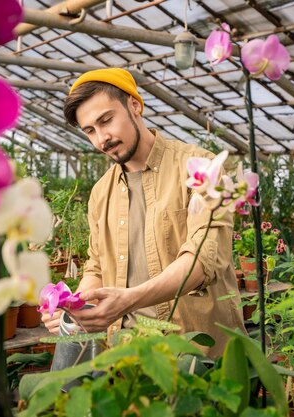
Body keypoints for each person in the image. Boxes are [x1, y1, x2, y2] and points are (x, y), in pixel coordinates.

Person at [41, 68, 246, 362]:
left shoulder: (201, 167)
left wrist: (127, 301)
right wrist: (77, 306)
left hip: (194, 355)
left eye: (106, 120)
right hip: (127, 359)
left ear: (134, 105)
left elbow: (203, 259)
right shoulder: (101, 193)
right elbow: (97, 268)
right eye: (90, 131)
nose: (102, 139)